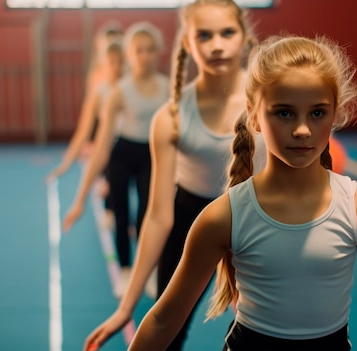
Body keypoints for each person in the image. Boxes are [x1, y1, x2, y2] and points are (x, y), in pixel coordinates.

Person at [126, 35, 357, 351]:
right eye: (284, 113)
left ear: (336, 114)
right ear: (255, 116)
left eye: (317, 113)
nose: (303, 129)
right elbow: (164, 318)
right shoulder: (224, 216)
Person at [83, 1, 263, 350]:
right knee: (169, 331)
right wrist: (127, 305)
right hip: (188, 218)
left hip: (254, 221)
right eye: (204, 35)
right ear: (187, 44)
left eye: (227, 32)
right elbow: (158, 215)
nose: (216, 44)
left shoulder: (267, 102)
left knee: (263, 334)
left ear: (244, 37)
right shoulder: (172, 116)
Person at [62, 21, 169, 298]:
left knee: (149, 215)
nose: (145, 56)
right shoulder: (119, 92)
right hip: (122, 154)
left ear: (159, 52)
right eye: (138, 51)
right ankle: (124, 270)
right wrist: (80, 198)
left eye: (150, 50)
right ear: (129, 55)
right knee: (122, 216)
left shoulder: (167, 89)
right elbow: (100, 149)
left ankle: (150, 269)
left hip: (152, 156)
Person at [46, 23, 123, 180]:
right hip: (103, 130)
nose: (115, 65)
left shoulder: (129, 83)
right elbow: (88, 120)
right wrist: (68, 161)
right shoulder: (97, 79)